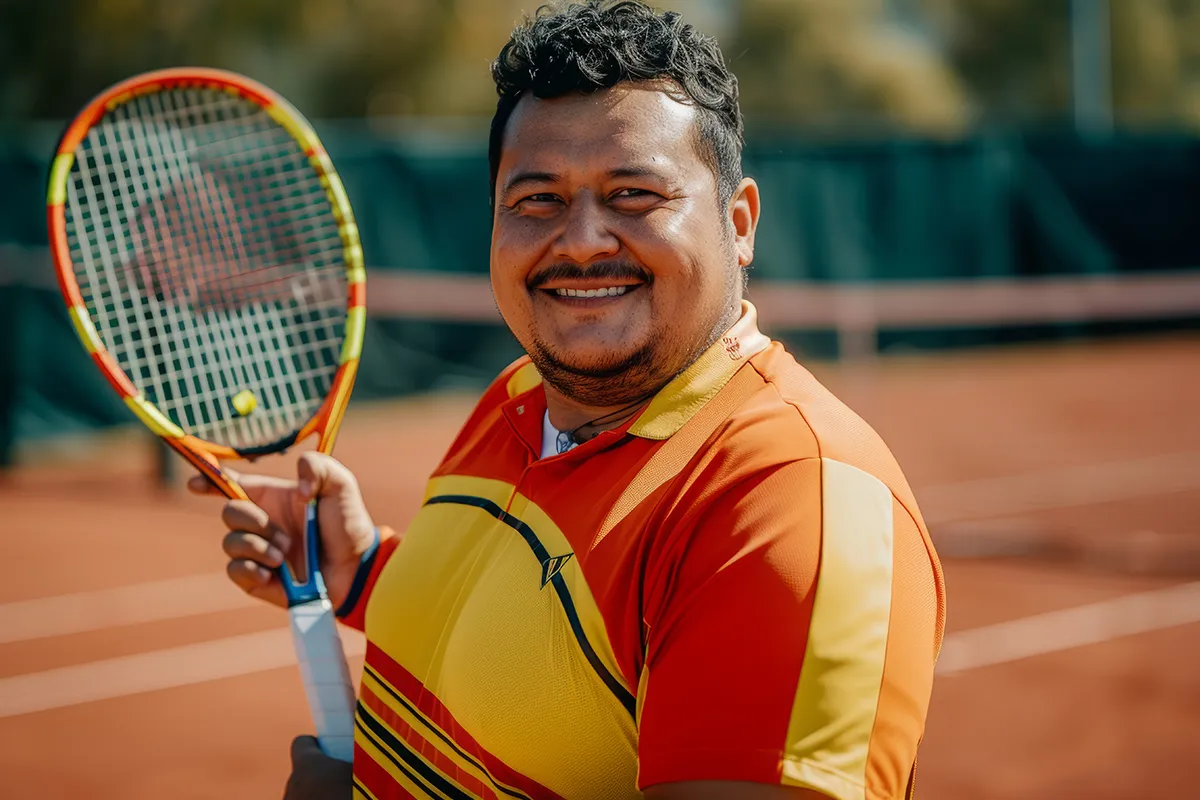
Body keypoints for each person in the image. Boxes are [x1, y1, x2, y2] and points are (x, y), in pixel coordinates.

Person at [190, 2, 945, 798]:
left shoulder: (792, 503)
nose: (582, 239)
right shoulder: (522, 395)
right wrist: (366, 574)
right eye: (537, 200)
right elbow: (546, 661)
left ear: (739, 221)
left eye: (633, 195)